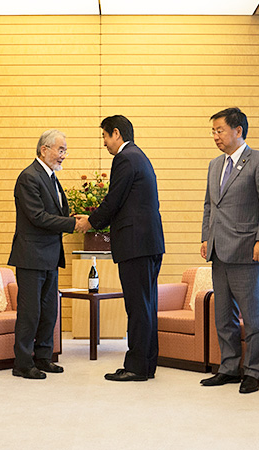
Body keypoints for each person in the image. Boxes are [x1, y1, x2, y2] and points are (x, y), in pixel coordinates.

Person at [76, 115, 165, 381]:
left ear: (116, 133)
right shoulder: (140, 156)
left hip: (135, 244)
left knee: (137, 308)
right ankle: (146, 364)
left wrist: (90, 222)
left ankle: (136, 367)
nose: (104, 143)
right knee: (146, 306)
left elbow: (114, 198)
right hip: (149, 243)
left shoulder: (125, 158)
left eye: (104, 136)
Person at [199, 107, 259, 394]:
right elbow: (211, 205)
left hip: (248, 249)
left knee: (253, 316)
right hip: (219, 250)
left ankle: (254, 371)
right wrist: (206, 237)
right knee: (223, 315)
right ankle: (229, 367)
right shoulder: (214, 165)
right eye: (213, 131)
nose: (216, 136)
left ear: (238, 131)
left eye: (219, 130)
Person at [9, 130, 85, 380]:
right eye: (60, 150)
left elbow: (58, 212)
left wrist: (70, 219)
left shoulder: (51, 177)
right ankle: (22, 363)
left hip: (50, 256)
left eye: (65, 150)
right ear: (44, 150)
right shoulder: (28, 177)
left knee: (49, 310)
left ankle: (43, 357)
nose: (64, 155)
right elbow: (37, 217)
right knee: (30, 312)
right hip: (31, 256)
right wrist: (72, 224)